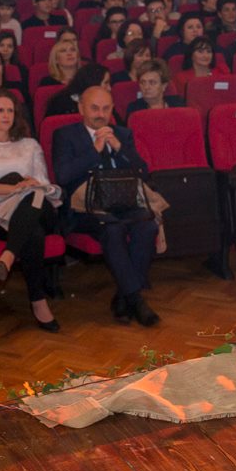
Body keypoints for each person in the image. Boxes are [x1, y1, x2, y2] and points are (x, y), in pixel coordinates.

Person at [51, 85, 160, 326]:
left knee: (148, 226)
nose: (100, 114)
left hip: (123, 200)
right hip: (86, 207)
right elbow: (63, 175)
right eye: (94, 108)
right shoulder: (65, 135)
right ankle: (136, 300)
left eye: (106, 108)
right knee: (113, 229)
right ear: (81, 108)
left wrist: (119, 147)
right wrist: (95, 151)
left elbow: (142, 171)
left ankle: (124, 297)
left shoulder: (122, 133)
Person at [0, 89, 62, 332]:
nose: (6, 115)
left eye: (10, 111)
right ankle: (38, 302)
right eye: (0, 110)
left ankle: (7, 256)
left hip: (36, 205)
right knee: (33, 232)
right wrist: (13, 188)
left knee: (33, 192)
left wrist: (28, 186)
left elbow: (42, 182)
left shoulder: (30, 145)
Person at [45, 62, 111, 121]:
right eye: (106, 83)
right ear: (93, 83)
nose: (109, 88)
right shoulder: (59, 103)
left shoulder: (105, 101)